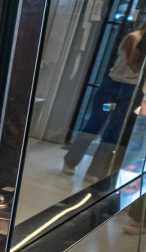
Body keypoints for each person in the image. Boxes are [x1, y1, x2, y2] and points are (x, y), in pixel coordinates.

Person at [63, 23, 146, 182]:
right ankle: (70, 162)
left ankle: (94, 171)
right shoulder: (134, 37)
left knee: (114, 132)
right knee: (96, 123)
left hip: (129, 91)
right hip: (113, 88)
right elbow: (133, 64)